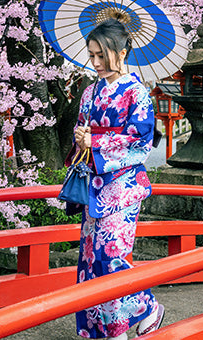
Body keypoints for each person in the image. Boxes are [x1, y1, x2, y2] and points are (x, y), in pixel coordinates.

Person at [72, 19, 165, 340]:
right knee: (89, 258)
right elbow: (82, 131)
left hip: (123, 188)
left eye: (102, 56)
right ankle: (99, 330)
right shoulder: (89, 91)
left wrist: (95, 142)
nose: (96, 63)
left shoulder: (137, 93)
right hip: (92, 189)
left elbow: (140, 142)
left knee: (111, 255)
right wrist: (81, 134)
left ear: (122, 52)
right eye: (92, 55)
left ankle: (143, 309)